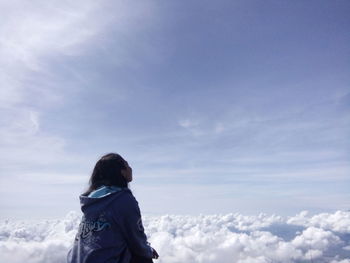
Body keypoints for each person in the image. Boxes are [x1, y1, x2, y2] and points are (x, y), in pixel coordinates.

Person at [66, 153, 159, 263]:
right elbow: (136, 239)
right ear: (121, 172)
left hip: (77, 259)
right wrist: (148, 251)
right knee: (144, 259)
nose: (131, 168)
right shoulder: (123, 199)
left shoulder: (91, 198)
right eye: (127, 165)